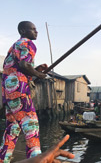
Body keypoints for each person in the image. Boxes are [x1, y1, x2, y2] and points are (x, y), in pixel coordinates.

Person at [0, 21, 48, 162]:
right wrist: (39, 75)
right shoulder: (28, 43)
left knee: (12, 130)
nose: (36, 32)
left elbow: (18, 67)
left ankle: (3, 159)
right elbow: (24, 64)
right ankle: (35, 160)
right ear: (22, 30)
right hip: (19, 90)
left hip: (8, 92)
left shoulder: (14, 46)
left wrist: (35, 70)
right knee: (31, 127)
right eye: (32, 29)